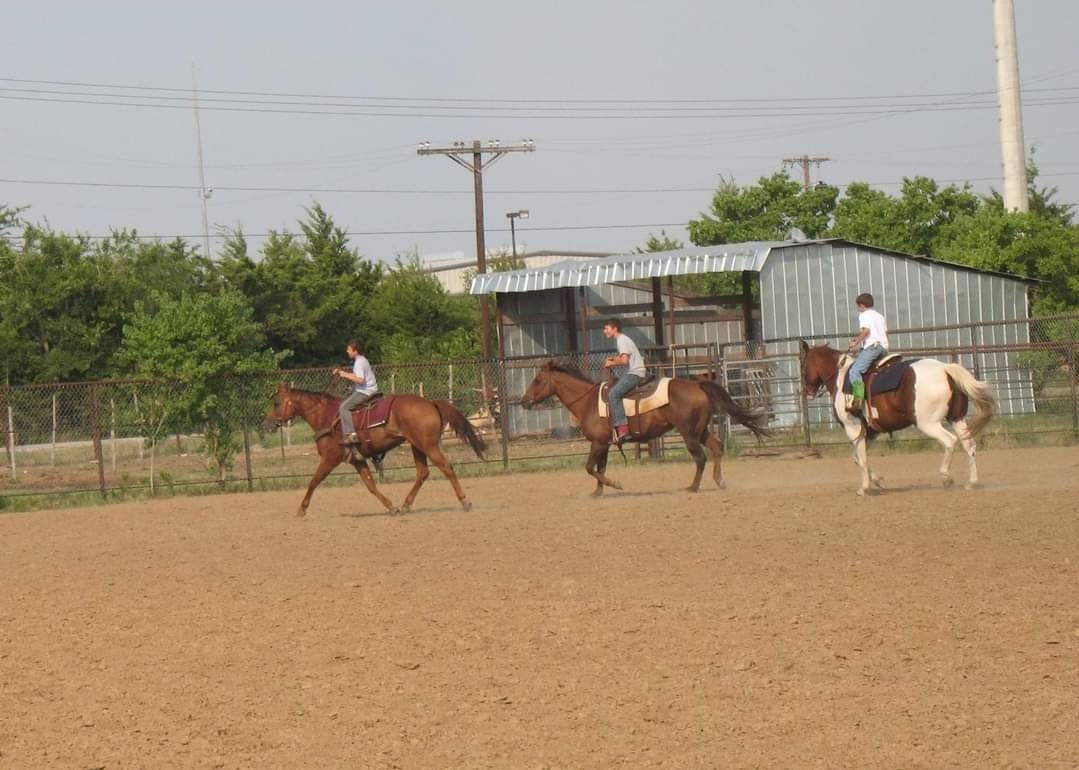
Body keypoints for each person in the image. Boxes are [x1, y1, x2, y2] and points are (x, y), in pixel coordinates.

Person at [602, 318, 647, 445]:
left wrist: (611, 362)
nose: (605, 331)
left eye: (607, 328)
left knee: (613, 394)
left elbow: (624, 361)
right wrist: (613, 360)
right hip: (633, 372)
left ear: (615, 329)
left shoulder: (622, 341)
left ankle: (623, 428)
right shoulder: (622, 339)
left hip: (635, 373)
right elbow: (623, 358)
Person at [846, 292, 889, 412]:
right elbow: (883, 333)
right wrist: (859, 339)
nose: (858, 309)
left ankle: (859, 398)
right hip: (884, 348)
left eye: (858, 306)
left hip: (872, 348)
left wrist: (855, 343)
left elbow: (866, 331)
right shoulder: (880, 316)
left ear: (862, 305)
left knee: (855, 371)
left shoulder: (864, 315)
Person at [335, 339, 379, 444]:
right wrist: (343, 373)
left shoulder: (359, 362)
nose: (347, 351)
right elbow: (356, 376)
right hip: (368, 389)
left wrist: (345, 375)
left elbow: (360, 380)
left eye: (349, 349)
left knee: (343, 407)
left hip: (365, 392)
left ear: (355, 351)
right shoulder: (362, 360)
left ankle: (351, 435)